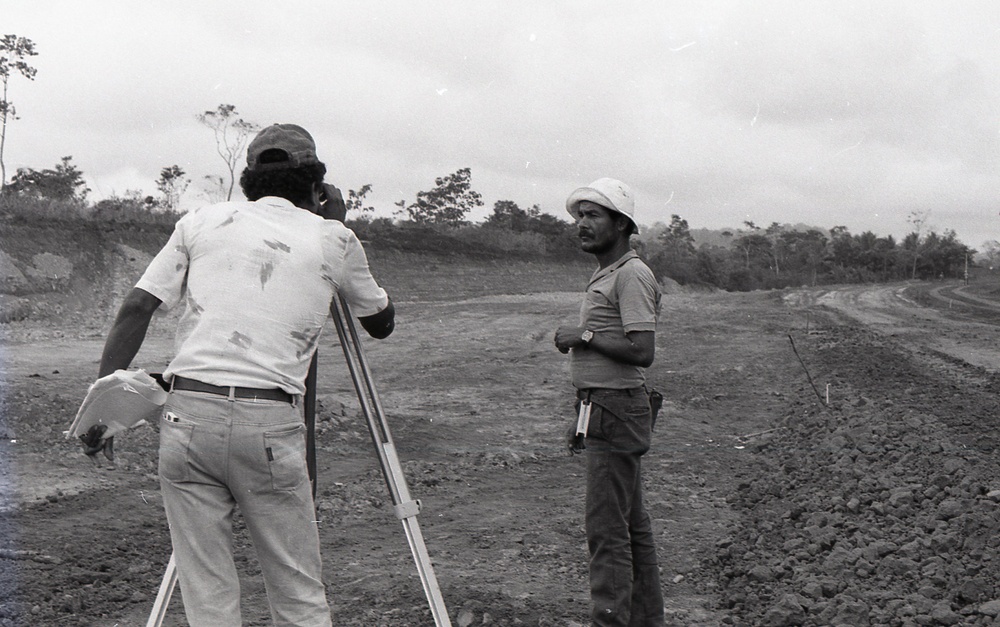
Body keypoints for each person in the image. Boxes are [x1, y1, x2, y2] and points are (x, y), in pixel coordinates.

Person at [84, 123, 395, 626]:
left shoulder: (200, 223)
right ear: (317, 182)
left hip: (187, 420)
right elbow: (380, 323)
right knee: (296, 589)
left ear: (249, 179)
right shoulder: (333, 238)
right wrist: (334, 223)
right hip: (267, 424)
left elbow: (137, 306)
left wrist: (103, 408)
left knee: (207, 594)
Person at [554, 178, 664, 626]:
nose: (582, 224)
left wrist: (583, 336)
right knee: (630, 527)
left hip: (618, 410)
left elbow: (643, 351)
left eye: (593, 215)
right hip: (605, 408)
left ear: (621, 224)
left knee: (607, 532)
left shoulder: (632, 274)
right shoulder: (608, 273)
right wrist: (584, 415)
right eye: (580, 215)